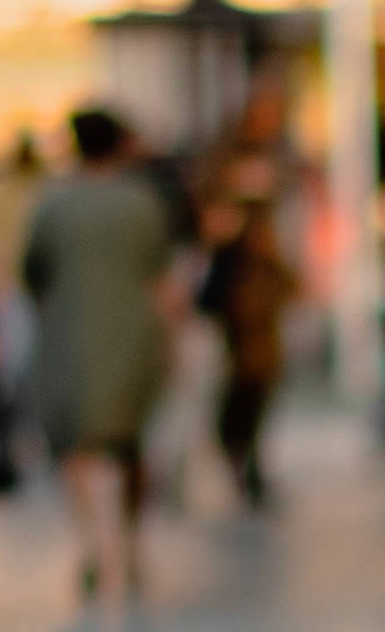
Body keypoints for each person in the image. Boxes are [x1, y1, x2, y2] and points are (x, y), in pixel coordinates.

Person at [25, 107, 175, 594]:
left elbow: (32, 273)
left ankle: (91, 541)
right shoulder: (141, 203)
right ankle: (130, 544)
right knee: (130, 444)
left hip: (72, 332)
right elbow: (162, 275)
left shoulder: (53, 205)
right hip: (134, 333)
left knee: (76, 445)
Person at [199, 201, 297, 508]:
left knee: (252, 422)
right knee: (235, 423)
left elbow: (292, 289)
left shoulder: (268, 264)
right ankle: (245, 476)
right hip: (236, 357)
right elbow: (209, 301)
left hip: (261, 356)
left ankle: (251, 477)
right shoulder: (231, 259)